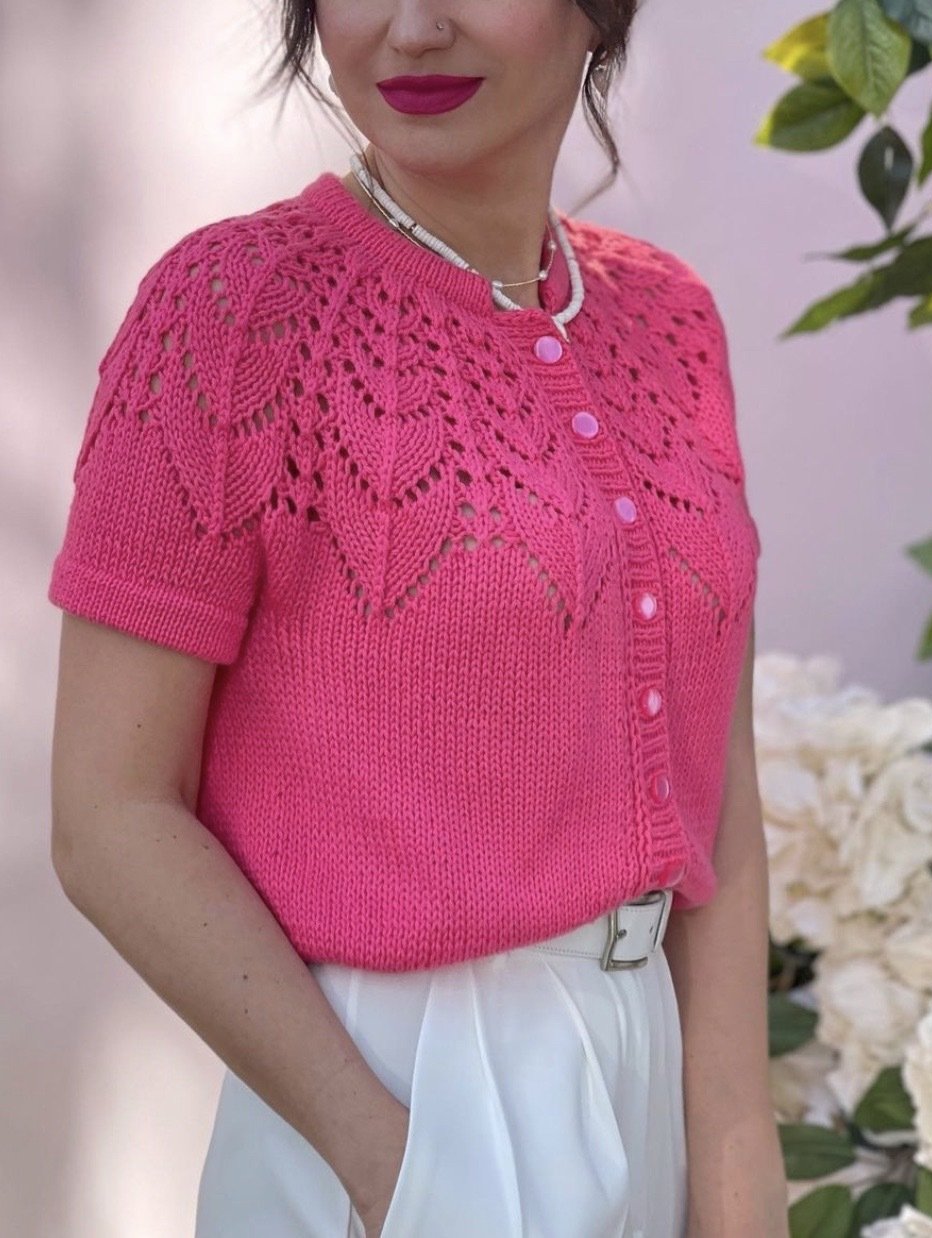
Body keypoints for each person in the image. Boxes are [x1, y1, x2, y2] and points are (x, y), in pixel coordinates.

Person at [47, 2, 789, 1235]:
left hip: (643, 1060)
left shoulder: (669, 322)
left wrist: (737, 1173)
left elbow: (720, 803)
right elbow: (109, 816)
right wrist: (392, 1161)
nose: (411, 27)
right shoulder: (231, 312)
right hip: (386, 1088)